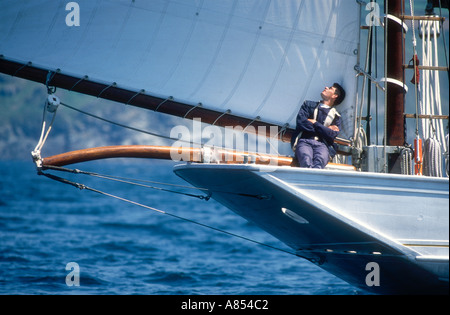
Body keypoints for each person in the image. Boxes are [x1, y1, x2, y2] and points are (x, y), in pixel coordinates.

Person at [291, 83, 346, 169]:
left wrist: (315, 123)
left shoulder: (336, 116)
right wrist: (325, 129)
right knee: (305, 161)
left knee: (319, 164)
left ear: (335, 95)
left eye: (330, 88)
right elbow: (301, 122)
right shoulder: (308, 105)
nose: (326, 87)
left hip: (323, 145)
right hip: (305, 141)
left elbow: (332, 134)